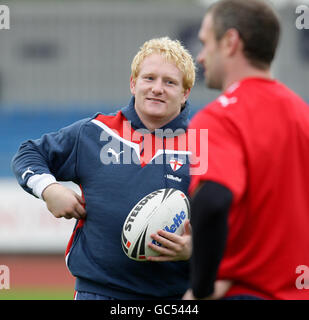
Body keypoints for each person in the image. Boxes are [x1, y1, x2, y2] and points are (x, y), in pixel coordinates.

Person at [12, 37, 196, 300]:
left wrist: (198, 247)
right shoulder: (94, 132)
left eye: (170, 82)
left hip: (172, 297)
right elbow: (28, 153)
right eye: (149, 78)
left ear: (185, 92)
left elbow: (236, 222)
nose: (157, 88)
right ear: (133, 83)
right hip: (96, 292)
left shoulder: (206, 147)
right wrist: (49, 188)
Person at [184, 0, 309, 300]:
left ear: (230, 42)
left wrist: (202, 288)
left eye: (204, 42)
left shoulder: (217, 118)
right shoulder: (302, 114)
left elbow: (212, 201)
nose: (200, 56)